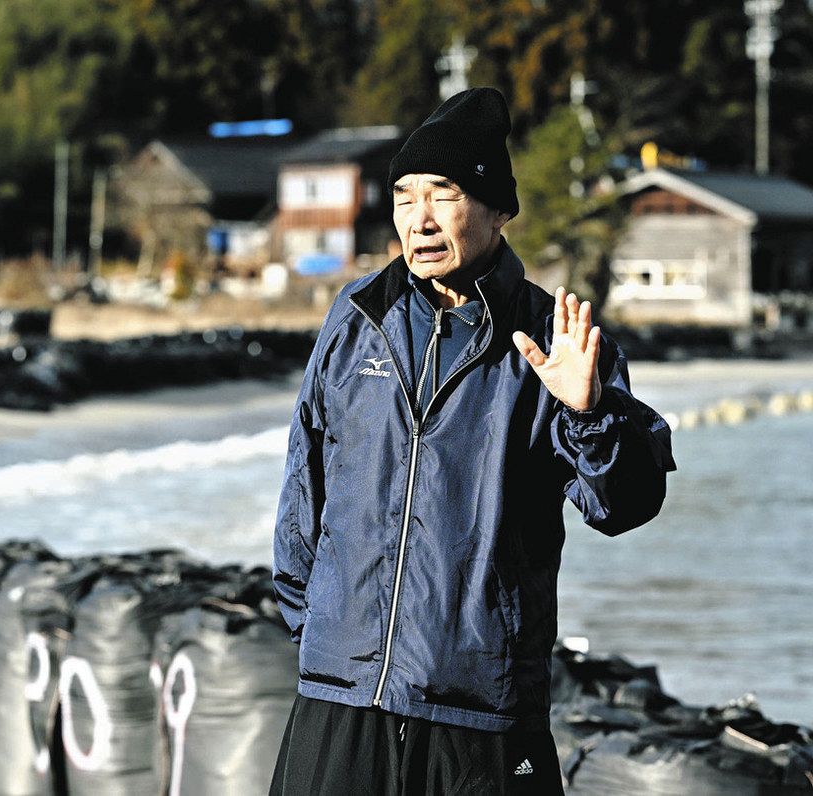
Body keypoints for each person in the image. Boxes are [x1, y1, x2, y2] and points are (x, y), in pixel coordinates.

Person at [269, 87, 676, 795]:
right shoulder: (357, 316)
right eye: (403, 197)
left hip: (482, 713)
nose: (418, 219)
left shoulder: (557, 342)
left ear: (496, 208)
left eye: (442, 194)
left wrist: (589, 411)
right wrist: (317, 630)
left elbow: (627, 505)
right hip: (341, 695)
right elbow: (305, 483)